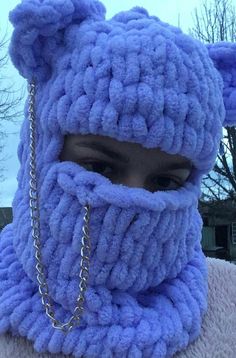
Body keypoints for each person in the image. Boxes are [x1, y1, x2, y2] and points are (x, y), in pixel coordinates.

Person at [0, 0, 235, 357]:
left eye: (166, 182)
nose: (133, 197)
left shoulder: (228, 297)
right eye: (100, 168)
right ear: (40, 151)